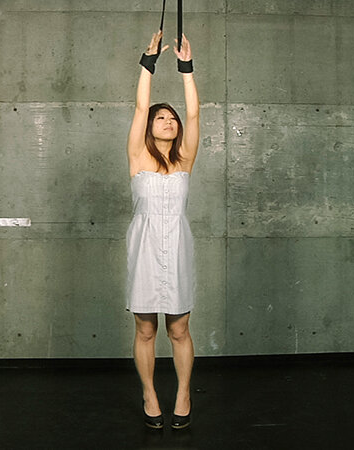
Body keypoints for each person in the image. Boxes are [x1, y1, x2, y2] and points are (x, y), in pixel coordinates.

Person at [125, 29, 199, 430]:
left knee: (180, 327)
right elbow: (140, 106)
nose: (169, 122)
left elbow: (194, 115)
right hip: (145, 246)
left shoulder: (185, 159)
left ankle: (183, 393)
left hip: (178, 246)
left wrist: (186, 68)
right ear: (150, 126)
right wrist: (148, 62)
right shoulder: (138, 155)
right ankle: (150, 394)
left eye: (172, 118)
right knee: (146, 327)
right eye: (161, 117)